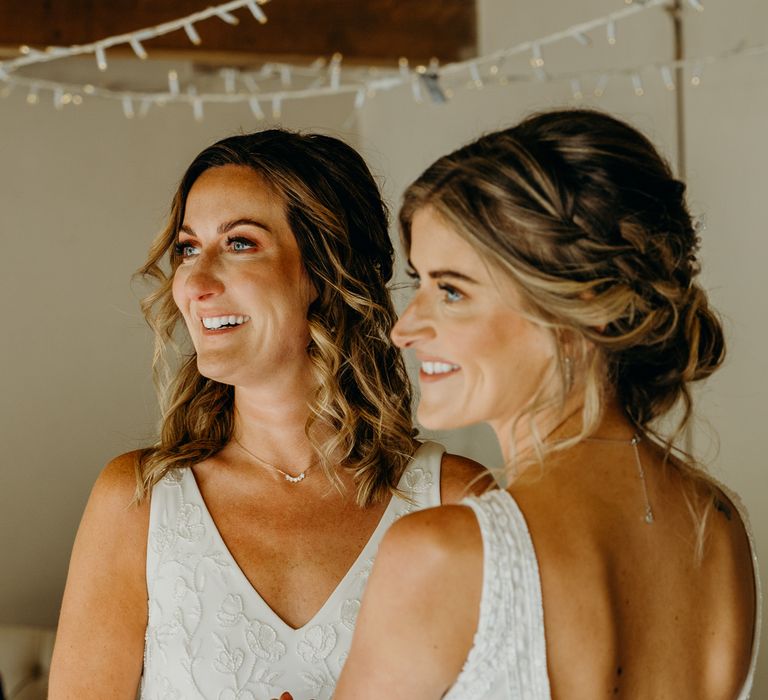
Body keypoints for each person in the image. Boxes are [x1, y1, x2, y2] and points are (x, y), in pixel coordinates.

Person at [48, 130, 491, 700]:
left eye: (239, 243)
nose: (196, 282)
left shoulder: (456, 502)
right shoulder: (136, 501)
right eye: (187, 248)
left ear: (322, 271)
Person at [334, 110, 761, 699]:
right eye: (420, 282)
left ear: (572, 310)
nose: (404, 328)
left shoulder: (444, 554)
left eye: (451, 289)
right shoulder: (715, 524)